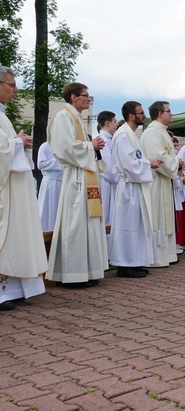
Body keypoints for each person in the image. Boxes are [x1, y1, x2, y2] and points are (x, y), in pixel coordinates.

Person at [46, 82, 108, 288]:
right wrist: (91, 145)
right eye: (85, 95)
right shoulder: (63, 117)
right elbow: (63, 148)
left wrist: (92, 147)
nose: (89, 99)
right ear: (73, 97)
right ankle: (72, 275)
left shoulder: (77, 118)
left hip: (85, 174)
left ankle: (87, 271)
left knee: (85, 225)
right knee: (75, 225)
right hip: (75, 179)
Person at [0, 66, 48, 311]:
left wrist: (19, 143)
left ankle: (13, 289)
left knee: (14, 237)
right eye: (11, 85)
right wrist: (17, 142)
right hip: (4, 191)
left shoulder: (3, 115)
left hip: (12, 188)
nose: (16, 90)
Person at [109, 101, 161, 278]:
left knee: (137, 226)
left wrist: (147, 164)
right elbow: (129, 164)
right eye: (140, 113)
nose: (144, 115)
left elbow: (136, 159)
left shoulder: (131, 135)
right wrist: (149, 164)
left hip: (136, 186)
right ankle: (124, 264)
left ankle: (135, 261)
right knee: (128, 226)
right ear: (131, 116)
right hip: (128, 188)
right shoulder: (123, 136)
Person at [141, 101, 184, 265]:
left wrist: (175, 162)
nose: (171, 114)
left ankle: (167, 254)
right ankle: (157, 257)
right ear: (160, 113)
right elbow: (157, 156)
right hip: (156, 182)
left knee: (165, 219)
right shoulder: (152, 132)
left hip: (164, 181)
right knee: (158, 219)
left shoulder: (162, 131)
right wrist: (176, 163)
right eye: (169, 111)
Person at [96, 110, 119, 231]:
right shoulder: (102, 140)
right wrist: (119, 178)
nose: (116, 124)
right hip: (106, 183)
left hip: (111, 182)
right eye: (115, 122)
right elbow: (107, 166)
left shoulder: (110, 140)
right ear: (107, 123)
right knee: (106, 214)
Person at [37, 141, 64, 232]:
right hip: (50, 183)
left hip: (62, 183)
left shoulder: (64, 145)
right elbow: (40, 164)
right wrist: (59, 162)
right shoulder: (45, 146)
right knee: (47, 211)